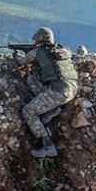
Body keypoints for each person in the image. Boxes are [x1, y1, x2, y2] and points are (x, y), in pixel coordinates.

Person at [19, 27, 78, 157]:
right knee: (32, 79)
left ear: (39, 39)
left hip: (58, 92)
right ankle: (51, 110)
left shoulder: (37, 51)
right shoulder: (63, 50)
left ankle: (47, 145)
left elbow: (22, 62)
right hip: (72, 89)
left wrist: (17, 55)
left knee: (28, 111)